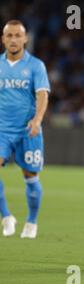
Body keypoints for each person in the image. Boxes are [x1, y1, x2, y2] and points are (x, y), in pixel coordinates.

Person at [0, 20, 50, 239]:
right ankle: (6, 216)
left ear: (25, 38)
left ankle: (31, 222)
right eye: (9, 35)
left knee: (30, 176)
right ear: (3, 39)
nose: (13, 39)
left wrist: (37, 119)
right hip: (2, 129)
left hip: (28, 130)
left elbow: (42, 94)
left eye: (17, 35)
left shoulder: (36, 65)